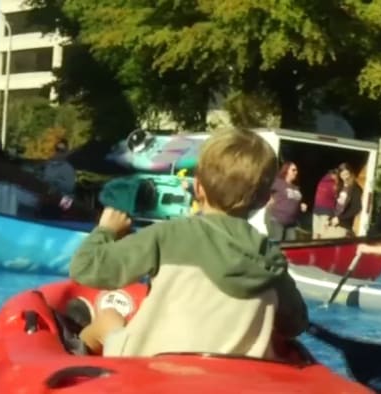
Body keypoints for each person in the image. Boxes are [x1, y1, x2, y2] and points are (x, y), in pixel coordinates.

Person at [69, 128, 308, 358]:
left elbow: (85, 268)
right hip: (233, 377)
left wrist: (106, 231)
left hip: (153, 366)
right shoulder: (271, 258)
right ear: (266, 199)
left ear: (198, 187)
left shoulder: (169, 235)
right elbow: (295, 324)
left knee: (108, 320)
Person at [265, 162, 307, 241]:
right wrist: (268, 199)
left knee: (290, 246)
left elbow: (294, 200)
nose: (296, 172)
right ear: (286, 170)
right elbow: (265, 187)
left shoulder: (296, 187)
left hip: (291, 223)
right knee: (276, 245)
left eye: (296, 170)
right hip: (277, 220)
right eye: (293, 170)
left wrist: (301, 205)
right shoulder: (278, 182)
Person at [326, 163, 362, 238]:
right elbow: (335, 205)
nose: (344, 176)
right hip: (332, 223)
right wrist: (330, 218)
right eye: (342, 174)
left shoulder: (355, 188)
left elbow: (356, 208)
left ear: (350, 173)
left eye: (346, 173)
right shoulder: (340, 186)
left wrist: (340, 218)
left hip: (343, 225)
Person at [312, 169, 339, 239]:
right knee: (322, 235)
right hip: (326, 211)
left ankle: (313, 249)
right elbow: (336, 199)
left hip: (316, 210)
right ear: (334, 175)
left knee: (315, 234)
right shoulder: (334, 184)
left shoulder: (320, 181)